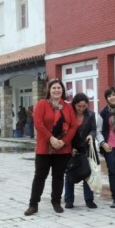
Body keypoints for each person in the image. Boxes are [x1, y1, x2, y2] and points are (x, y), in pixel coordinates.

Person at [24, 78, 77, 216]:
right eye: (54, 88)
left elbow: (73, 126)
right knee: (40, 176)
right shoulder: (42, 104)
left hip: (62, 149)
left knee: (58, 176)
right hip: (44, 148)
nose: (56, 90)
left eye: (59, 88)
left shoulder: (67, 107)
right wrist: (51, 138)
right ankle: (33, 204)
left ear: (62, 90)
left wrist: (63, 141)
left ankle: (56, 202)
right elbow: (38, 124)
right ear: (49, 90)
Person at [64, 93, 97, 209]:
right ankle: (68, 200)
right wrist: (69, 146)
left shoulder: (91, 115)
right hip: (71, 147)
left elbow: (94, 129)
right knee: (69, 173)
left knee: (87, 172)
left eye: (84, 106)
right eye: (79, 106)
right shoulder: (68, 115)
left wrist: (91, 136)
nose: (81, 109)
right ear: (74, 105)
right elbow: (64, 132)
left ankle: (89, 200)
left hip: (86, 148)